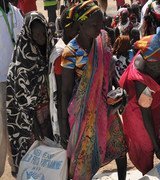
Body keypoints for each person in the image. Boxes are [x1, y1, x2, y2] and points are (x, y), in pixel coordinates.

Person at [60, 1, 127, 179]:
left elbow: (108, 71)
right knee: (84, 158)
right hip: (83, 113)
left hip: (106, 104)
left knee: (119, 147)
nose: (100, 28)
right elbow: (65, 90)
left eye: (102, 23)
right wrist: (63, 124)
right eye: (95, 25)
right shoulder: (70, 52)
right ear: (81, 24)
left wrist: (119, 88)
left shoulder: (102, 40)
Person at [119, 31, 160, 174]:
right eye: (152, 66)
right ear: (144, 60)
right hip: (136, 109)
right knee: (146, 144)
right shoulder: (140, 77)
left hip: (155, 101)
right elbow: (145, 114)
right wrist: (156, 148)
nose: (157, 69)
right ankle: (148, 173)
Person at [6, 11, 53, 176]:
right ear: (29, 33)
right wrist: (34, 123)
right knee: (33, 156)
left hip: (47, 111)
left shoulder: (48, 49)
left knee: (49, 156)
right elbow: (21, 99)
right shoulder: (22, 60)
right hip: (29, 117)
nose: (41, 37)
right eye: (37, 33)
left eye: (43, 32)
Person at [49, 5, 80, 147]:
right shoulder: (62, 54)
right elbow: (62, 93)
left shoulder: (69, 47)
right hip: (66, 116)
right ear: (68, 28)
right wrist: (63, 124)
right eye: (78, 26)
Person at [0, 0, 23, 177]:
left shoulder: (15, 12)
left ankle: (15, 167)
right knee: (1, 132)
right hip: (0, 81)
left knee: (15, 128)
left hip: (15, 79)